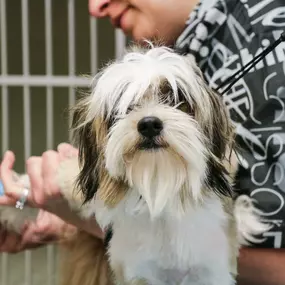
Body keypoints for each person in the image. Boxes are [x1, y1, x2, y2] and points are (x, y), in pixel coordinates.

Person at [1, 0, 285, 284]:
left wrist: (116, 230)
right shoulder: (198, 45)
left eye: (173, 100)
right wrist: (64, 221)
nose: (95, 7)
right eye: (123, 111)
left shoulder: (270, 39)